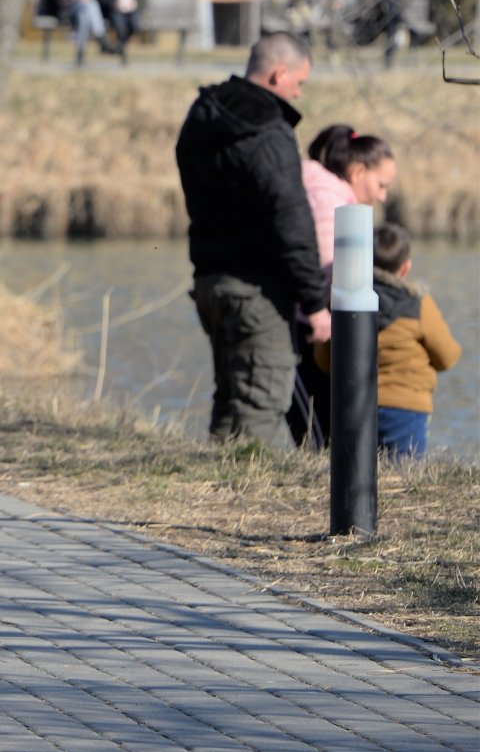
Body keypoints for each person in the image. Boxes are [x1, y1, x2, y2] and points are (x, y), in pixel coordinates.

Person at [175, 32, 331, 444]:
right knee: (258, 409)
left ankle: (210, 499)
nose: (299, 93)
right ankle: (230, 505)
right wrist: (315, 302)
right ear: (279, 74)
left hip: (211, 281)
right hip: (256, 292)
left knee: (230, 404)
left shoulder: (202, 114)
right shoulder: (266, 129)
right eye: (299, 83)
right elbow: (291, 218)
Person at [315, 225, 462, 458]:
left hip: (354, 405)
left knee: (357, 472)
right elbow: (447, 356)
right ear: (405, 268)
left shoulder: (345, 302)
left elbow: (324, 360)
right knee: (403, 475)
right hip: (406, 409)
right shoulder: (418, 304)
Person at [291, 124, 398, 446]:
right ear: (357, 171)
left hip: (306, 317)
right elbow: (326, 267)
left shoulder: (329, 192)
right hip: (309, 322)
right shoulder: (330, 201)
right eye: (381, 184)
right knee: (319, 423)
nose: (383, 195)